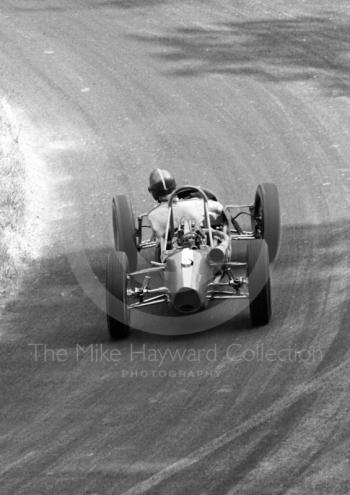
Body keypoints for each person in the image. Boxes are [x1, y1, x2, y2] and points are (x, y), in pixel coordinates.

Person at [147, 169, 225, 251]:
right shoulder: (197, 203)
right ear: (174, 186)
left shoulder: (152, 216)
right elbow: (219, 208)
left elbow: (159, 236)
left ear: (153, 192)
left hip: (173, 255)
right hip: (202, 249)